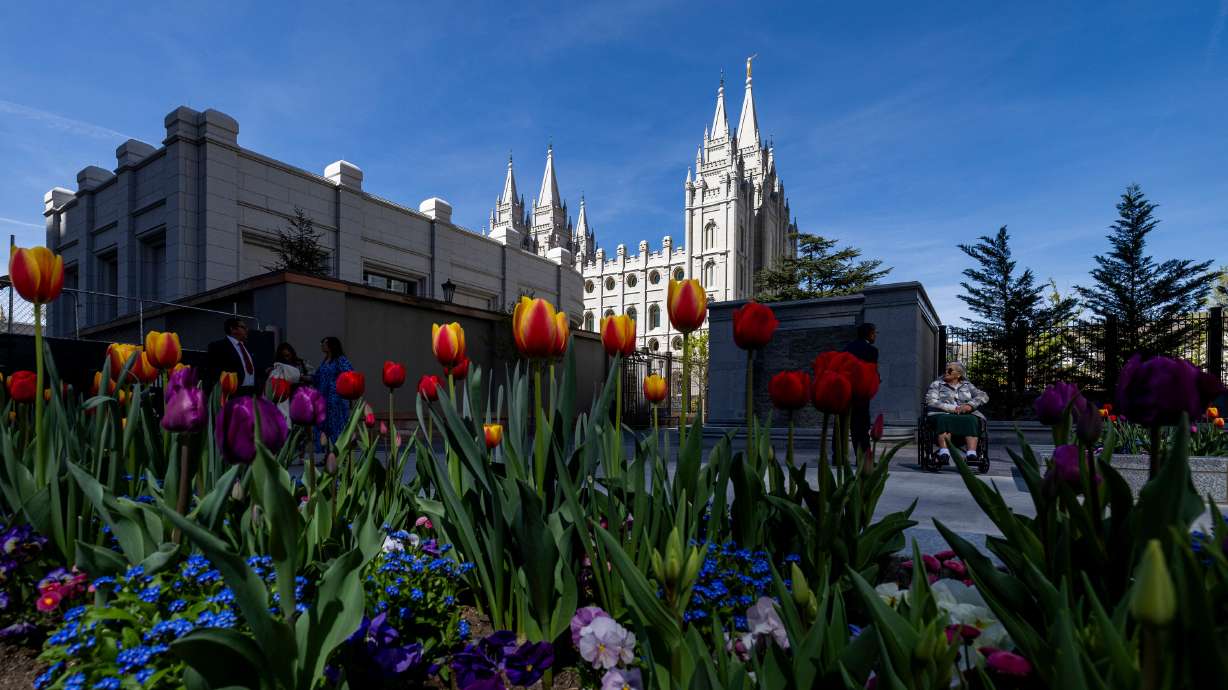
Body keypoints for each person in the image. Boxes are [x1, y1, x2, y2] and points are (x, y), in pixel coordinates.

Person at [924, 361, 989, 465]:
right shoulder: (937, 384)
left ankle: (971, 454)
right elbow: (931, 401)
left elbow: (983, 396)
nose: (946, 371)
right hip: (941, 414)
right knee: (944, 419)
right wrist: (954, 408)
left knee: (972, 419)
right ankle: (944, 453)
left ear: (959, 374)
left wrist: (970, 405)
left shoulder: (967, 385)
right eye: (945, 369)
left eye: (950, 370)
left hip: (964, 415)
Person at [843, 322, 879, 461]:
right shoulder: (871, 350)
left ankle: (838, 456)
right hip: (861, 391)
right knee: (862, 426)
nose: (875, 336)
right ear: (869, 333)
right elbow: (872, 372)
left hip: (846, 390)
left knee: (845, 424)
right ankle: (863, 458)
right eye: (874, 333)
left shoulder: (847, 348)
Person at [314, 336, 353, 453]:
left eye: (324, 342)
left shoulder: (340, 360)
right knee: (325, 427)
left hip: (336, 399)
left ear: (332, 345)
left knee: (336, 426)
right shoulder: (325, 361)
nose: (322, 344)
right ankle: (328, 455)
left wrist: (338, 385)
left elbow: (350, 374)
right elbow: (318, 377)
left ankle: (339, 455)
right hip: (323, 399)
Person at [206, 318, 260, 397]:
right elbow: (213, 372)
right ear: (233, 329)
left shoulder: (248, 347)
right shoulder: (218, 346)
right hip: (234, 393)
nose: (247, 330)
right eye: (243, 327)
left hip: (251, 392)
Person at [268, 342, 309, 421]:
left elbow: (309, 374)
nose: (286, 358)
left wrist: (302, 377)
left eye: (288, 355)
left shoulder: (300, 363)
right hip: (286, 394)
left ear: (292, 354)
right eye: (283, 356)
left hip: (299, 393)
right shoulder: (278, 366)